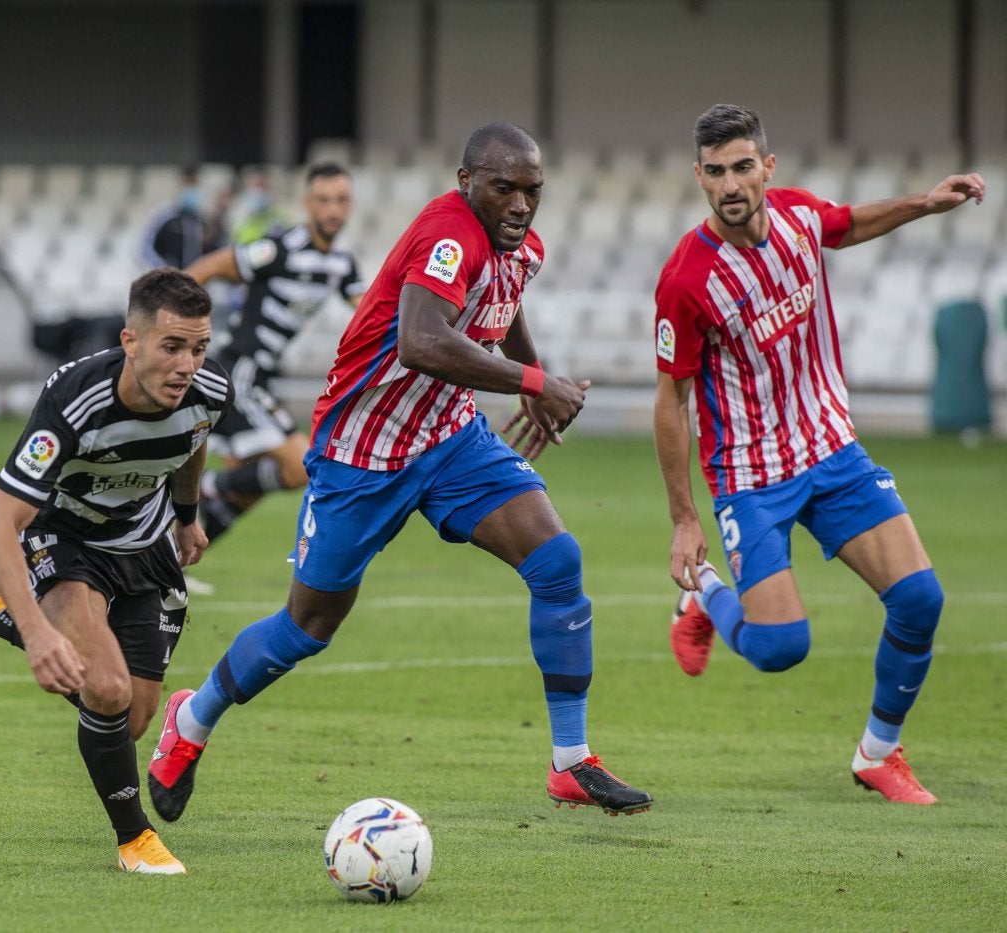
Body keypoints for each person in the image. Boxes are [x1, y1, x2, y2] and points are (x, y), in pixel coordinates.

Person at [146, 122, 654, 824]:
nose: (519, 203)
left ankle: (571, 759)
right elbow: (420, 341)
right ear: (465, 181)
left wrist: (530, 378)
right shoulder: (450, 235)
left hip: (450, 440)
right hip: (363, 452)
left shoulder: (519, 246)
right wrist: (534, 378)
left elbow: (501, 305)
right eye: (502, 187)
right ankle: (192, 717)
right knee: (307, 627)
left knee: (557, 560)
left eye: (532, 190)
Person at [653, 104, 987, 805]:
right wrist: (687, 520)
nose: (731, 184)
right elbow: (671, 401)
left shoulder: (801, 217)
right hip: (751, 478)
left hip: (831, 451)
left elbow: (850, 224)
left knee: (921, 599)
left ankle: (878, 753)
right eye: (715, 172)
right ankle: (705, 595)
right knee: (780, 649)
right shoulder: (686, 280)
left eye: (743, 167)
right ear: (699, 178)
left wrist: (926, 203)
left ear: (767, 168)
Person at [0, 268, 233, 873]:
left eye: (199, 348)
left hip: (141, 545)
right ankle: (134, 839)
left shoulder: (211, 390)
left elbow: (194, 439)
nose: (188, 364)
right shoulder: (75, 399)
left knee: (131, 720)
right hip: (62, 540)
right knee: (107, 688)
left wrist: (187, 515)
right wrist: (40, 636)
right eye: (172, 347)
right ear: (129, 342)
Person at [184, 162, 365, 546]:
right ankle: (203, 485)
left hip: (262, 378)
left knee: (248, 488)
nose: (333, 209)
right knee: (303, 467)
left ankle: (172, 565)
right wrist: (178, 323)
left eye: (341, 200)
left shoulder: (341, 264)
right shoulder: (279, 249)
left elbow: (372, 313)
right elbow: (210, 266)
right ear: (307, 204)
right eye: (323, 200)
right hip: (240, 373)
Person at [139, 166, 228, 271]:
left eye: (194, 185)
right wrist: (163, 269)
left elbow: (217, 248)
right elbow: (144, 247)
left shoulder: (201, 217)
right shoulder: (164, 215)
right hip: (168, 277)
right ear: (180, 185)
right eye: (188, 184)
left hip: (193, 278)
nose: (191, 189)